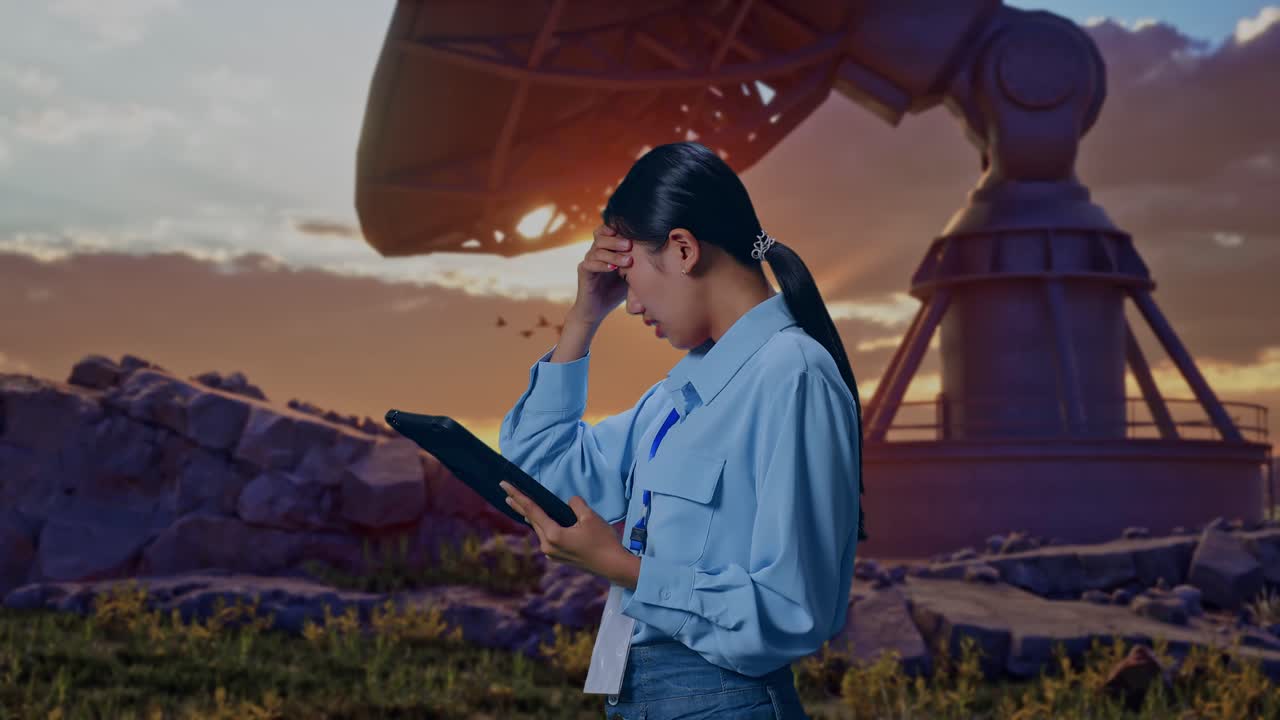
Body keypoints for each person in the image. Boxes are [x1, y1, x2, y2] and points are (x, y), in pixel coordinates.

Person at [497, 141, 865, 720]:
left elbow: (793, 609)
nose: (632, 304)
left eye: (630, 273)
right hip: (639, 696)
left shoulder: (792, 376)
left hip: (724, 701)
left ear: (684, 248)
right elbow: (539, 474)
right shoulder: (677, 394)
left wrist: (620, 566)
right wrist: (583, 318)